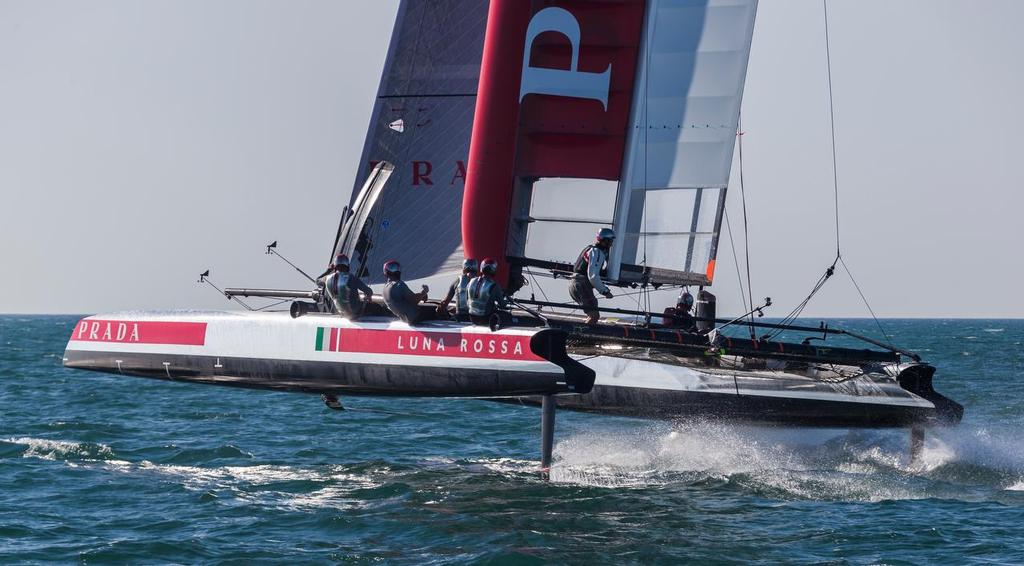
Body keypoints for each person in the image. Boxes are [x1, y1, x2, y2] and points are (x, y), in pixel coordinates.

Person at [569, 227, 615, 324]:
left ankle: (582, 335)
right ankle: (581, 337)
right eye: (610, 241)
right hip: (581, 284)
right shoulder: (597, 252)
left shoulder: (593, 249)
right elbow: (593, 276)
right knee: (594, 315)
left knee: (593, 314)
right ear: (605, 240)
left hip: (576, 282)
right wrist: (605, 291)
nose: (611, 243)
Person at [320, 253, 373, 319]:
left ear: (334, 266)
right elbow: (369, 291)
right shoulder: (351, 277)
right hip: (356, 312)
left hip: (341, 312)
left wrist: (328, 271)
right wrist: (368, 296)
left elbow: (317, 281)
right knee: (378, 307)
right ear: (347, 265)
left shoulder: (327, 278)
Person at [381, 260, 429, 324]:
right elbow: (414, 300)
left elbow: (406, 297)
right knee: (437, 311)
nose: (396, 270)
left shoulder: (385, 288)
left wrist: (421, 295)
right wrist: (424, 291)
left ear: (385, 273)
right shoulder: (399, 285)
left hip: (405, 319)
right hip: (415, 317)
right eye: (393, 268)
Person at [467, 258, 507, 326]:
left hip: (471, 317)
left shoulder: (471, 281)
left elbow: (467, 299)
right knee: (506, 315)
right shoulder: (495, 286)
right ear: (494, 270)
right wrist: (506, 301)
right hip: (485, 319)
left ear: (481, 268)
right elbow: (502, 305)